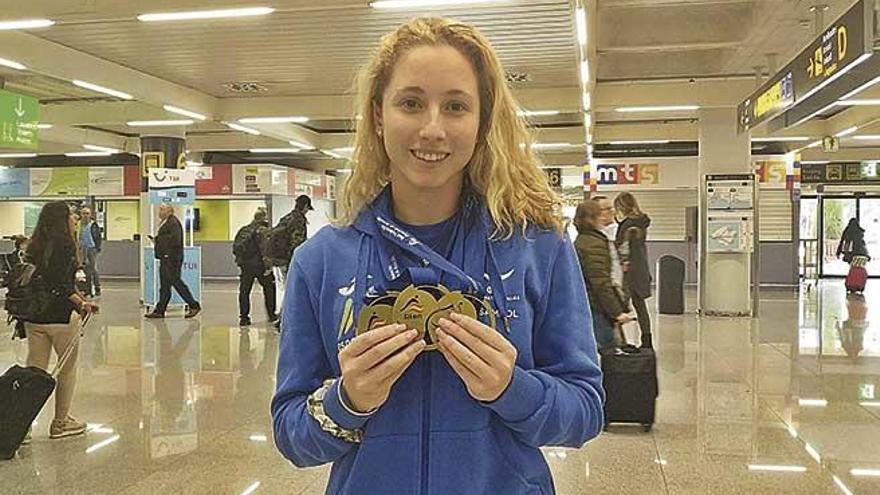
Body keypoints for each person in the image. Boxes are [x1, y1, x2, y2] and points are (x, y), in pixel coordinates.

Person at [271, 17, 604, 495]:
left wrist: (512, 389)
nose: (432, 128)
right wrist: (348, 401)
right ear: (379, 115)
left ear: (481, 121)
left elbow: (585, 411)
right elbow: (291, 434)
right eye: (411, 103)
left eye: (455, 106)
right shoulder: (320, 261)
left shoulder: (538, 247)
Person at [21, 201, 99, 443]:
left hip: (34, 316)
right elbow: (60, 284)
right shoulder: (65, 244)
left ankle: (22, 426)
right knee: (67, 369)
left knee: (35, 370)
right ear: (61, 219)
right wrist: (81, 303)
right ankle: (60, 422)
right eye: (71, 215)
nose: (74, 218)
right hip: (61, 317)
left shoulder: (33, 245)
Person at [573, 200, 634, 352]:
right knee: (609, 352)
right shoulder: (593, 244)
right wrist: (616, 312)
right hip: (597, 308)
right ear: (591, 218)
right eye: (602, 212)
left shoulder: (586, 240)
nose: (607, 214)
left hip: (594, 305)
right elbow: (600, 281)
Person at [145, 203, 201, 319]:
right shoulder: (167, 223)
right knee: (165, 286)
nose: (159, 212)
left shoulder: (173, 223)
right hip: (166, 257)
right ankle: (160, 310)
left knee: (176, 282)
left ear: (169, 211)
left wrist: (159, 241)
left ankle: (193, 305)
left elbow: (174, 240)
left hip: (171, 258)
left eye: (162, 209)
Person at [614, 192, 654, 349]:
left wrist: (621, 262)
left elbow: (622, 246)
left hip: (628, 270)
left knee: (615, 306)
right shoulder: (642, 222)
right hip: (640, 267)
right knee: (640, 305)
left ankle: (618, 342)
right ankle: (647, 340)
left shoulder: (627, 224)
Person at [233, 208, 277, 327]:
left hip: (245, 265)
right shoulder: (262, 230)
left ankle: (244, 318)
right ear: (264, 218)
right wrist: (268, 267)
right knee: (269, 288)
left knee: (244, 291)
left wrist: (240, 262)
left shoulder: (244, 229)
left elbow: (236, 248)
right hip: (259, 265)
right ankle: (271, 314)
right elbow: (265, 250)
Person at [268, 194, 313, 281]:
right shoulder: (298, 220)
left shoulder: (287, 217)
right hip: (290, 260)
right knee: (293, 286)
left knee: (287, 286)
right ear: (305, 206)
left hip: (280, 258)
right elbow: (297, 244)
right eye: (308, 208)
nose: (307, 211)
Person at [77, 206, 102, 297]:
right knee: (84, 269)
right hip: (82, 249)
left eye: (87, 213)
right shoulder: (78, 224)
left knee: (93, 269)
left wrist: (97, 248)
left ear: (90, 215)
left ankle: (97, 287)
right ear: (81, 214)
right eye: (84, 213)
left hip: (92, 248)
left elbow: (98, 237)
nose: (85, 215)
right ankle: (87, 289)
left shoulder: (93, 225)